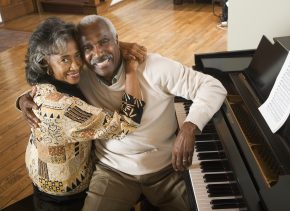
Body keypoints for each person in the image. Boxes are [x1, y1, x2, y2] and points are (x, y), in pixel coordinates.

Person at [19, 15, 227, 211]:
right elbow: (52, 88)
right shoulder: (80, 72)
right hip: (112, 171)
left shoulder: (156, 67)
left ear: (117, 40)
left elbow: (213, 86)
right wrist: (22, 99)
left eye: (104, 42)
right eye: (88, 47)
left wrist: (189, 127)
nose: (98, 53)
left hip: (165, 168)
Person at [22, 17, 145, 210]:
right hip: (67, 200)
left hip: (42, 182)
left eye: (77, 55)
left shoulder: (43, 85)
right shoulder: (64, 107)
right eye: (65, 59)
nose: (75, 65)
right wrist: (130, 68)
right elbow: (127, 123)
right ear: (44, 62)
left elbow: (90, 51)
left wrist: (116, 44)